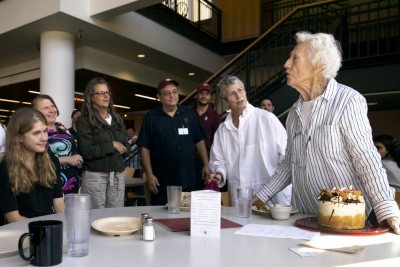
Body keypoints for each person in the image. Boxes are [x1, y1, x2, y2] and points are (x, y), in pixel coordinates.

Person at [254, 31, 400, 234]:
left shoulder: (348, 101)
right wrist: (260, 196)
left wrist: (387, 209)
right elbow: (289, 165)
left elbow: (366, 160)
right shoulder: (294, 113)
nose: (286, 64)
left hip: (344, 224)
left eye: (295, 58)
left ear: (319, 65)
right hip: (302, 220)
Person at [208, 76, 291, 206]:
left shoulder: (267, 119)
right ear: (225, 101)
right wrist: (219, 173)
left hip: (273, 200)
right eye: (232, 94)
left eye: (240, 90)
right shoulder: (222, 130)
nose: (238, 96)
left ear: (245, 92)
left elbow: (287, 157)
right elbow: (218, 160)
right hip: (241, 201)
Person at [137, 78, 210, 205]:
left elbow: (199, 141)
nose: (172, 95)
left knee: (186, 215)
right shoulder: (151, 117)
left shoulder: (189, 114)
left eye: (174, 92)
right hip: (162, 179)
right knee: (162, 216)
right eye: (166, 93)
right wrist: (149, 174)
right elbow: (144, 147)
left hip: (187, 177)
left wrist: (206, 165)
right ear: (158, 97)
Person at [0, 107, 64, 223]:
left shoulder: (52, 160)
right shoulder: (5, 168)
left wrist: (66, 224)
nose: (44, 138)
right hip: (21, 232)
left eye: (45, 131)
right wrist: (47, 229)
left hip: (49, 225)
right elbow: (13, 218)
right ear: (19, 137)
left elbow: (58, 202)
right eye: (36, 133)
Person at [77, 77, 129, 209]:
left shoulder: (117, 119)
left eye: (107, 92)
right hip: (95, 175)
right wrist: (112, 145)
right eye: (100, 93)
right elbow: (86, 151)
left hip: (117, 174)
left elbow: (125, 145)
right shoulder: (84, 120)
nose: (105, 96)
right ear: (91, 97)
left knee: (116, 216)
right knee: (96, 216)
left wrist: (123, 149)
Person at [32, 94, 83, 194]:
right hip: (50, 182)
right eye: (46, 108)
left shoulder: (60, 127)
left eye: (52, 106)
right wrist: (67, 160)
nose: (52, 110)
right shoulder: (35, 131)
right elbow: (34, 160)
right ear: (36, 113)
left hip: (72, 182)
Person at [193, 82, 221, 190]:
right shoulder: (190, 114)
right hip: (189, 159)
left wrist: (209, 165)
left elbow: (217, 143)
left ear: (210, 97)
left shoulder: (215, 116)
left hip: (207, 160)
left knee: (202, 192)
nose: (204, 96)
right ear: (197, 95)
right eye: (201, 93)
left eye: (206, 94)